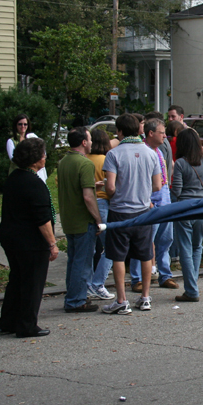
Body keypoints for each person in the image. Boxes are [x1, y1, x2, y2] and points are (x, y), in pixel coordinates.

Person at [100, 113, 163, 315]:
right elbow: (157, 185)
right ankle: (145, 297)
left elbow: (110, 188)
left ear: (119, 131)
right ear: (139, 130)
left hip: (120, 211)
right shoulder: (151, 153)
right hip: (143, 211)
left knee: (118, 256)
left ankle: (121, 300)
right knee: (145, 254)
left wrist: (118, 190)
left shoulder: (114, 154)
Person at [0, 138, 58, 337]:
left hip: (10, 236)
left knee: (17, 279)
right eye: (43, 154)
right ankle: (26, 325)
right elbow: (42, 219)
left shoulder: (14, 177)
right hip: (29, 241)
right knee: (32, 282)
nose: (45, 157)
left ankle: (8, 320)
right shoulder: (34, 184)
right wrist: (52, 243)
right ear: (36, 159)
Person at [171, 128, 203, 302]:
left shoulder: (180, 163)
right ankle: (192, 285)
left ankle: (192, 289)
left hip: (184, 209)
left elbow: (176, 191)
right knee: (197, 246)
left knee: (185, 247)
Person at [58, 127, 103, 313]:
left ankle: (73, 294)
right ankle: (76, 300)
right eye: (90, 139)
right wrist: (98, 218)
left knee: (73, 260)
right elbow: (88, 197)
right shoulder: (85, 164)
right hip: (83, 220)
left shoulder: (63, 162)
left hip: (68, 219)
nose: (92, 142)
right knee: (83, 262)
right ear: (84, 142)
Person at [130, 118, 177, 292]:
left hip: (164, 198)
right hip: (149, 200)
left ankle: (165, 274)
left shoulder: (160, 149)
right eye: (162, 132)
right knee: (144, 240)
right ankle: (138, 278)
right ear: (151, 133)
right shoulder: (141, 152)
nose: (165, 136)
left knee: (166, 239)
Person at [87, 129, 116, 301]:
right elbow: (110, 186)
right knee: (110, 247)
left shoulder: (85, 160)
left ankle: (87, 282)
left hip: (87, 203)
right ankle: (97, 283)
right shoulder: (106, 160)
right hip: (103, 203)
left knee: (89, 247)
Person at [7, 114, 46, 182]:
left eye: (25, 124)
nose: (23, 126)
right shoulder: (11, 141)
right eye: (20, 124)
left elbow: (41, 153)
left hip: (32, 173)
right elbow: (13, 159)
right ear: (16, 125)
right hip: (17, 173)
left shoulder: (32, 138)